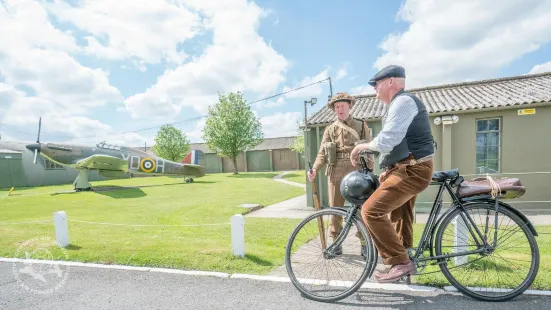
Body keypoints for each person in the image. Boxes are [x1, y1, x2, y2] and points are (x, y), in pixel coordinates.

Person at [350, 65, 435, 283]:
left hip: (412, 169)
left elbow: (388, 139)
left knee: (371, 211)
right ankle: (405, 257)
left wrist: (361, 146)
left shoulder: (403, 102)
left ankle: (401, 262)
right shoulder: (398, 104)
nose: (374, 89)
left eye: (376, 84)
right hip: (407, 168)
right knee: (399, 215)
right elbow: (394, 146)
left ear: (390, 82)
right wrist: (387, 169)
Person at [308, 92, 374, 255]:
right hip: (336, 171)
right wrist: (315, 168)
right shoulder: (330, 129)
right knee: (335, 210)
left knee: (360, 209)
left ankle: (364, 242)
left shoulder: (361, 125)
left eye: (342, 106)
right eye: (337, 107)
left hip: (357, 171)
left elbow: (370, 149)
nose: (340, 109)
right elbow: (323, 153)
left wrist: (369, 171)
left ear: (349, 106)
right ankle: (336, 242)